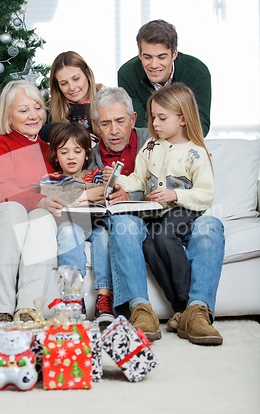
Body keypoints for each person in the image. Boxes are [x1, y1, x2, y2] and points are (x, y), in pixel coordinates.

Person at [91, 86, 225, 345]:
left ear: (183, 118)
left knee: (163, 239)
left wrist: (175, 196)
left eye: (162, 118)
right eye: (153, 117)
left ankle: (191, 309)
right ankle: (167, 312)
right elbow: (138, 179)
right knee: (151, 243)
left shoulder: (196, 151)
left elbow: (206, 193)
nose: (154, 123)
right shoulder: (151, 147)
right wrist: (119, 183)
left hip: (184, 212)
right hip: (156, 215)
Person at [0, 80, 66, 327]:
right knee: (13, 208)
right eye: (23, 109)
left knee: (42, 218)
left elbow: (55, 192)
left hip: (25, 217)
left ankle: (28, 309)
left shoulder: (49, 151)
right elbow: (0, 192)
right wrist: (40, 200)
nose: (33, 115)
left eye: (37, 107)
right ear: (8, 115)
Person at [39, 122, 115, 326]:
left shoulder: (96, 174)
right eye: (64, 152)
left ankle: (104, 298)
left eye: (77, 151)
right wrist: (86, 193)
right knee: (67, 232)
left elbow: (101, 195)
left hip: (95, 224)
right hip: (70, 225)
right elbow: (56, 198)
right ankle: (73, 298)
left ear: (86, 154)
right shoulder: (50, 179)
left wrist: (88, 191)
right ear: (55, 155)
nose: (71, 157)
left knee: (104, 237)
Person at [118, 19, 211, 136]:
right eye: (147, 57)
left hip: (185, 144)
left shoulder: (197, 72)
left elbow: (201, 125)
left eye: (161, 57)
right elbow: (139, 125)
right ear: (140, 55)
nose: (154, 65)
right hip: (149, 145)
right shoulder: (127, 74)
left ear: (174, 54)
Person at [39, 51, 101, 143]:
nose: (71, 87)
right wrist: (70, 133)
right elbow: (36, 133)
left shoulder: (106, 102)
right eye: (64, 83)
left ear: (87, 74)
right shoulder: (49, 109)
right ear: (57, 86)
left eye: (76, 79)